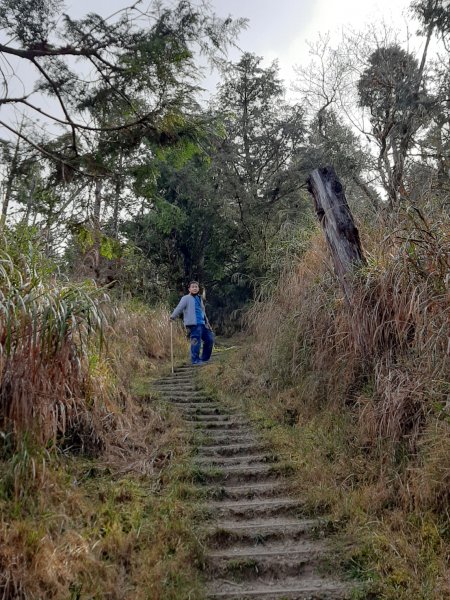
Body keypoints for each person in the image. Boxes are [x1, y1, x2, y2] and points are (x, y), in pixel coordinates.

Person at [170, 281, 214, 365]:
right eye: (193, 287)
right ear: (189, 289)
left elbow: (203, 312)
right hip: (193, 324)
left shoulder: (199, 298)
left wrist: (207, 323)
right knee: (196, 341)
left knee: (209, 339)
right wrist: (172, 317)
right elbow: (179, 308)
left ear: (198, 288)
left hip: (203, 323)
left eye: (196, 287)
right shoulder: (186, 298)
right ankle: (195, 360)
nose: (195, 288)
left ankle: (204, 358)